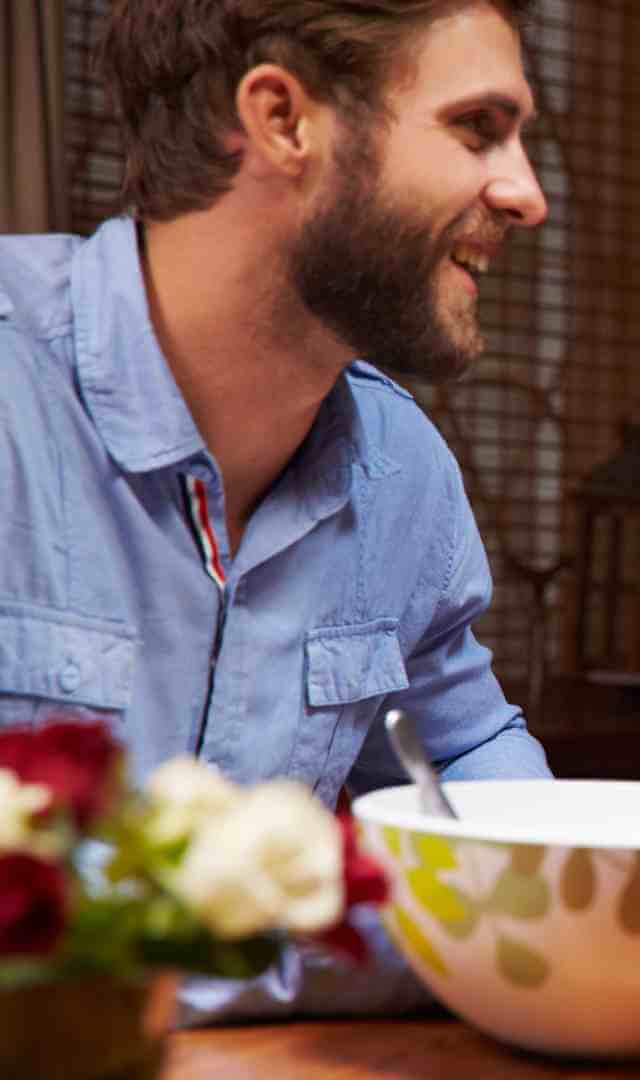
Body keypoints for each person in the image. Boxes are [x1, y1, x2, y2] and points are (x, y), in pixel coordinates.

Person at [0, 0, 552, 1022]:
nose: (527, 195)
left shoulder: (406, 473)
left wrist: (576, 895)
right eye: (476, 129)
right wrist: (395, 952)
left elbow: (463, 749)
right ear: (283, 119)